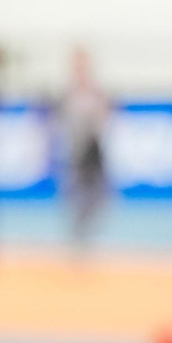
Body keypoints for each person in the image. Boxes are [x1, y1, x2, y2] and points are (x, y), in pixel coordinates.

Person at [58, 46, 111, 251]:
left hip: (93, 146)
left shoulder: (95, 91)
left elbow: (103, 115)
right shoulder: (68, 92)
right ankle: (78, 231)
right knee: (75, 191)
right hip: (74, 148)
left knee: (97, 191)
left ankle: (88, 227)